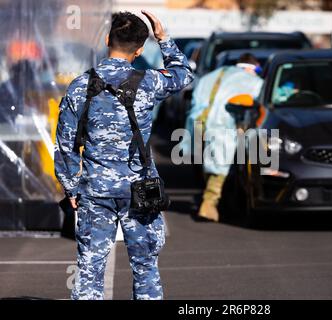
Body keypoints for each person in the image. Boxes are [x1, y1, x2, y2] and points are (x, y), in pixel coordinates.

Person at [54, 11, 193, 300]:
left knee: (90, 267)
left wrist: (70, 187)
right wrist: (163, 38)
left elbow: (65, 143)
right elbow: (184, 74)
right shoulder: (150, 81)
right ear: (141, 49)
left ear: (107, 40)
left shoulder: (81, 86)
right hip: (140, 189)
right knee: (145, 267)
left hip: (94, 190)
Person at [190, 53, 263, 222]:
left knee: (209, 164)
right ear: (251, 68)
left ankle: (213, 202)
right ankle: (209, 204)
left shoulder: (211, 76)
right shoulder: (251, 81)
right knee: (220, 167)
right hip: (224, 127)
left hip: (199, 123)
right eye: (258, 69)